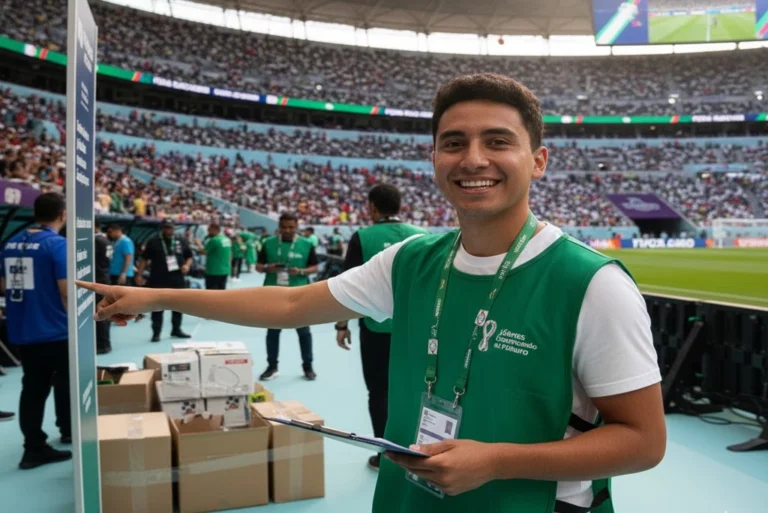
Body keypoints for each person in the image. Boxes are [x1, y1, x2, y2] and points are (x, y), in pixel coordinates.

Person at [77, 73, 666, 513]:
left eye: (498, 141)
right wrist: (158, 297)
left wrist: (497, 461)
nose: (474, 159)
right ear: (434, 157)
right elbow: (289, 304)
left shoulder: (591, 284)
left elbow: (643, 442)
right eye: (454, 142)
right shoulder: (411, 261)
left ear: (537, 160)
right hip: (410, 498)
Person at [335, 183, 428, 471]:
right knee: (416, 391)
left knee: (379, 392)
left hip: (375, 330)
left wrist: (342, 325)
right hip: (415, 329)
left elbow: (347, 285)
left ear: (372, 207)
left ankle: (384, 455)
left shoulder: (362, 236)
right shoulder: (423, 237)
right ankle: (417, 451)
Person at [0, 192, 72, 469]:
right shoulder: (57, 245)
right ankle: (68, 430)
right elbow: (66, 291)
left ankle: (33, 446)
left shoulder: (11, 242)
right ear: (62, 215)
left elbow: (5, 287)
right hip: (56, 330)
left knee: (32, 388)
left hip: (24, 330)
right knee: (65, 381)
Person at [256, 213, 319, 381]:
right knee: (273, 332)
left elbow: (315, 267)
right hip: (274, 295)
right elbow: (258, 266)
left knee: (304, 332)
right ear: (279, 227)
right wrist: (270, 268)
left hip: (299, 295)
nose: (287, 230)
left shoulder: (307, 244)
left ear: (297, 226)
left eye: (291, 227)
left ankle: (308, 366)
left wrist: (300, 272)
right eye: (284, 227)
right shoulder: (268, 243)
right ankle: (272, 366)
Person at [136, 219, 193, 342]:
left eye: (171, 228)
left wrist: (187, 265)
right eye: (166, 228)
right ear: (162, 229)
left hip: (177, 278)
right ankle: (156, 333)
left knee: (179, 306)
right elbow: (144, 260)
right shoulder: (153, 242)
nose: (168, 230)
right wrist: (139, 274)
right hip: (158, 278)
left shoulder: (181, 240)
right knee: (157, 307)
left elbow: (189, 256)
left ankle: (176, 329)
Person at [94, 220, 112, 354]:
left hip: (98, 279)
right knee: (105, 311)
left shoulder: (96, 241)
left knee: (100, 312)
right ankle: (104, 342)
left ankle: (103, 344)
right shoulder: (105, 240)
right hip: (104, 277)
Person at [200, 224, 232, 290]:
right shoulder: (227, 239)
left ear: (215, 230)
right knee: (221, 291)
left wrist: (198, 243)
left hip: (213, 271)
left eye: (209, 230)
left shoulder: (214, 240)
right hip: (224, 270)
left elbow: (204, 252)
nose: (208, 232)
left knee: (211, 292)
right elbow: (230, 254)